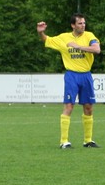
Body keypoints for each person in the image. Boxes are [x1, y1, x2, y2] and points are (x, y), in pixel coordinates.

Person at [37, 14, 101, 149]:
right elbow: (47, 40)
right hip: (72, 75)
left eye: (84, 23)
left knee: (88, 107)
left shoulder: (89, 36)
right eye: (80, 23)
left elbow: (97, 49)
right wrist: (41, 32)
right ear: (73, 25)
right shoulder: (64, 38)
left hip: (86, 75)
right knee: (69, 106)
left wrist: (78, 47)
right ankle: (64, 141)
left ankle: (88, 140)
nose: (83, 25)